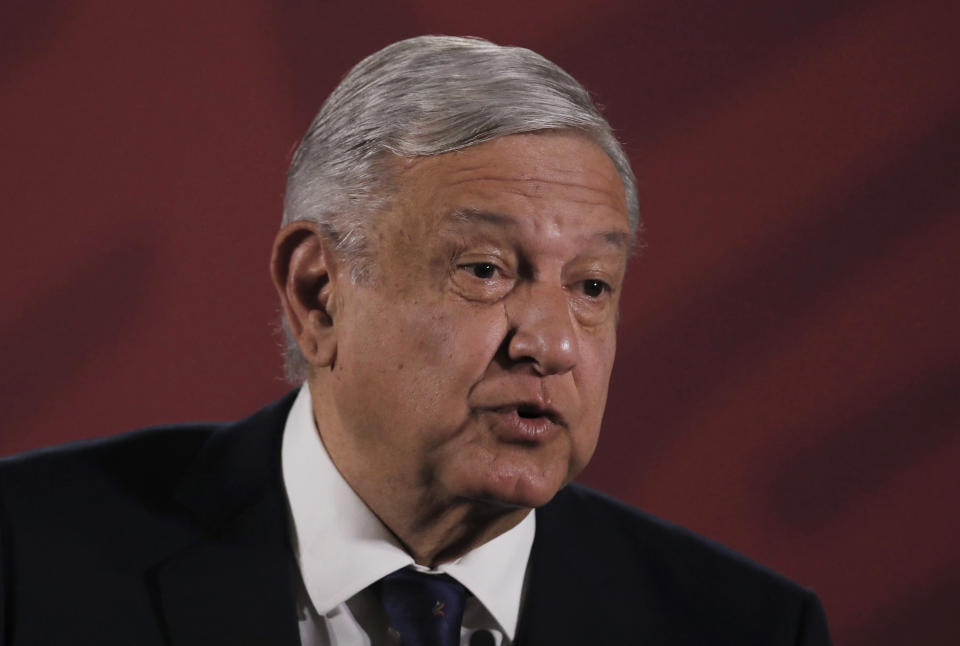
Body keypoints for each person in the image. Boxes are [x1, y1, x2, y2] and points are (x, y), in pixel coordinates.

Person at [0, 36, 832, 645]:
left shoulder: (746, 628)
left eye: (590, 287)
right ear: (318, 293)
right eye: (485, 269)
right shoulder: (27, 562)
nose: (553, 345)